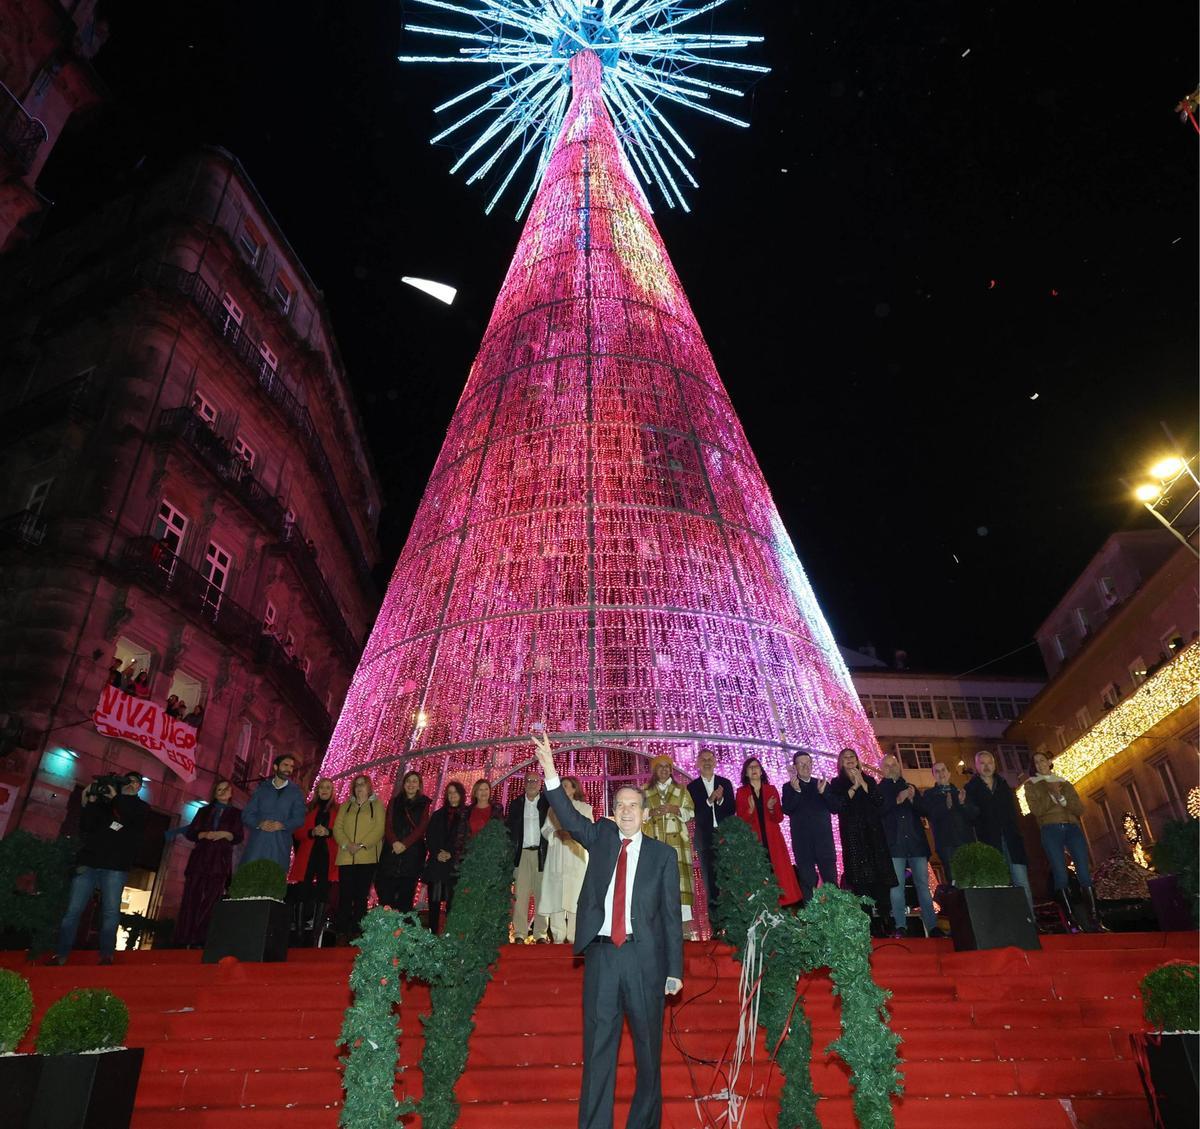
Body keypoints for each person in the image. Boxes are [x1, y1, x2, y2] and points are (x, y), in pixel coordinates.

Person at [531, 729, 682, 1129]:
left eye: (634, 806)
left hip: (644, 960)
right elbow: (567, 814)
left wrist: (674, 970)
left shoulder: (663, 856)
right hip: (602, 956)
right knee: (599, 1049)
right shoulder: (600, 836)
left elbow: (670, 917)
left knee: (649, 1054)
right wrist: (549, 769)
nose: (627, 811)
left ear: (645, 814)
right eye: (620, 805)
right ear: (612, 812)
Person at [55, 771, 148, 965]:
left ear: (140, 787)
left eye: (134, 782)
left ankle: (106, 955)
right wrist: (92, 800)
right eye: (127, 781)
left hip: (115, 866)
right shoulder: (105, 803)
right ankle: (61, 954)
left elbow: (131, 829)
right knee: (72, 911)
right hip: (89, 863)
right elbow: (87, 825)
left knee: (110, 912)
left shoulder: (141, 807)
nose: (130, 784)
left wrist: (117, 799)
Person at [1025, 751, 1105, 932]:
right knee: (1061, 874)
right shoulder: (1031, 785)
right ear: (1033, 766)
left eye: (1042, 760)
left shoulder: (1064, 782)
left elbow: (1079, 808)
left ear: (1049, 762)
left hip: (1072, 828)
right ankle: (1071, 921)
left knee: (1084, 872)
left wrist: (1062, 798)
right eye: (1036, 762)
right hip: (1050, 829)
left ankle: (1095, 920)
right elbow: (1037, 810)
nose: (1040, 764)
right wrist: (1052, 796)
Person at [827, 748, 898, 936]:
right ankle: (867, 923)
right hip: (854, 838)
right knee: (860, 881)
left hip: (873, 836)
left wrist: (864, 785)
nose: (849, 760)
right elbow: (838, 806)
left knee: (880, 878)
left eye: (852, 757)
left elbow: (880, 801)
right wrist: (853, 787)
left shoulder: (870, 780)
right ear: (841, 763)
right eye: (845, 758)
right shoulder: (837, 783)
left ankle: (885, 919)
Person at [877, 755, 946, 938]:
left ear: (899, 767)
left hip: (916, 845)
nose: (891, 768)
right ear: (882, 769)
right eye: (887, 765)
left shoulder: (911, 787)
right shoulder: (879, 790)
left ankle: (932, 926)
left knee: (923, 885)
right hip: (895, 846)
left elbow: (925, 811)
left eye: (894, 764)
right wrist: (898, 800)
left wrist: (914, 797)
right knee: (896, 887)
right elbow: (879, 812)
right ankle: (900, 925)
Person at [175, 779, 243, 947]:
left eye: (226, 788)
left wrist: (225, 834)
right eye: (219, 789)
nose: (223, 791)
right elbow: (191, 833)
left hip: (219, 861)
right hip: (200, 859)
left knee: (212, 899)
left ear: (231, 792)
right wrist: (204, 835)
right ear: (214, 792)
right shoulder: (204, 811)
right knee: (191, 897)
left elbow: (238, 836)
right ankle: (184, 937)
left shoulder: (236, 813)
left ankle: (202, 938)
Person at [965, 750, 1034, 912]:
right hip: (989, 842)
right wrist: (965, 806)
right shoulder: (971, 788)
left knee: (1021, 881)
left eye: (990, 763)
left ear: (995, 764)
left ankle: (1029, 920)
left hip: (1012, 840)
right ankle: (1008, 923)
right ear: (976, 766)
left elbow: (1015, 812)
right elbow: (971, 817)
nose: (987, 766)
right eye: (982, 763)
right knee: (999, 883)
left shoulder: (1003, 785)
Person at [735, 756, 803, 906]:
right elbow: (741, 822)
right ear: (746, 773)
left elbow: (778, 817)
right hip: (753, 841)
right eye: (750, 767)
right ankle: (763, 905)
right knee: (758, 873)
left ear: (761, 771)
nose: (754, 769)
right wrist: (751, 810)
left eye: (756, 767)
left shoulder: (771, 789)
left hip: (773, 839)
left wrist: (771, 808)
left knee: (778, 871)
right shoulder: (741, 792)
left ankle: (782, 903)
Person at [641, 755, 697, 937]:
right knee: (655, 884)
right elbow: (638, 814)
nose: (664, 769)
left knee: (680, 883)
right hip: (654, 842)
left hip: (677, 844)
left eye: (667, 767)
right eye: (660, 766)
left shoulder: (681, 790)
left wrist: (677, 810)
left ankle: (685, 931)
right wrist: (651, 812)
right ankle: (657, 929)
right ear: (654, 770)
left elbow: (691, 812)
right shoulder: (645, 791)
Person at [537, 775, 593, 943]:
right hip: (556, 856)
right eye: (561, 786)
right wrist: (555, 833)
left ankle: (574, 937)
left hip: (576, 857)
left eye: (567, 786)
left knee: (575, 897)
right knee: (556, 896)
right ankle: (558, 936)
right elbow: (545, 830)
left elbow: (589, 829)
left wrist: (572, 834)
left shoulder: (584, 808)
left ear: (575, 789)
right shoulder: (553, 809)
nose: (563, 789)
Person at [781, 750, 841, 903]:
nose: (805, 766)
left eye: (808, 763)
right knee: (807, 883)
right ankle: (810, 921)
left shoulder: (821, 784)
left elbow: (835, 807)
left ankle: (837, 921)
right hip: (803, 845)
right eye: (801, 764)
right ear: (795, 767)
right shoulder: (788, 787)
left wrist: (824, 793)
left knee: (831, 883)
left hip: (824, 844)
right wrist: (797, 791)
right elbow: (787, 809)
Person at [288, 778, 341, 945]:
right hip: (308, 854)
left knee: (323, 891)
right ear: (317, 791)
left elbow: (341, 832)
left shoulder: (338, 810)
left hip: (327, 855)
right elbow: (297, 832)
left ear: (333, 791)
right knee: (302, 890)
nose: (325, 790)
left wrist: (329, 832)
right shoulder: (308, 809)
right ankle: (299, 931)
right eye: (322, 788)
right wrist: (312, 832)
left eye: (328, 788)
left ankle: (316, 932)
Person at [333, 774, 385, 939]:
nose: (359, 787)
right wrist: (347, 844)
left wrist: (362, 845)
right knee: (345, 894)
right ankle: (342, 929)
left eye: (363, 784)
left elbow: (379, 828)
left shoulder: (377, 805)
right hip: (346, 856)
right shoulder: (345, 806)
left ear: (369, 787)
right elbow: (337, 828)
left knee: (361, 895)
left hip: (367, 857)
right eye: (357, 785)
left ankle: (359, 929)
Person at [686, 748, 736, 919]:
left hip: (726, 838)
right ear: (698, 764)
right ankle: (716, 923)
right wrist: (709, 801)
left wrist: (720, 799)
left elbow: (732, 810)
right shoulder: (692, 787)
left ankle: (734, 920)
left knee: (729, 879)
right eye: (703, 759)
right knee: (710, 882)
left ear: (715, 762)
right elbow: (693, 813)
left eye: (710, 759)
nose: (707, 762)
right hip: (705, 840)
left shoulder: (725, 783)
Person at [376, 771, 431, 913]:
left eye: (414, 781)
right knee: (386, 896)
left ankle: (402, 932)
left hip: (412, 856)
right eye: (408, 781)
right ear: (404, 784)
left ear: (419, 785)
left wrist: (405, 844)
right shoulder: (394, 802)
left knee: (406, 898)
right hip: (391, 854)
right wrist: (394, 842)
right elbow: (388, 824)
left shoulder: (425, 802)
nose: (411, 784)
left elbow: (422, 827)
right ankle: (385, 932)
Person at [241, 754, 306, 872]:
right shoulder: (261, 789)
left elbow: (299, 819)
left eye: (291, 766)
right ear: (275, 767)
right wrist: (259, 823)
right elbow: (247, 814)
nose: (289, 769)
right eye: (285, 765)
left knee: (272, 885)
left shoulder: (296, 793)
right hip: (257, 846)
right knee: (250, 883)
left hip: (279, 847)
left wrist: (283, 825)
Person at [506, 770, 550, 943]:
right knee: (520, 895)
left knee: (542, 895)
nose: (532, 783)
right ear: (524, 783)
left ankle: (540, 934)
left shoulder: (547, 803)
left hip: (541, 854)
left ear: (540, 784)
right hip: (522, 854)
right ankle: (519, 934)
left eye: (535, 780)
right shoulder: (516, 803)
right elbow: (510, 829)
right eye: (529, 780)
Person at [423, 781, 467, 934]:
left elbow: (466, 839)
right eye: (449, 793)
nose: (452, 796)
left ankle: (450, 934)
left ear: (461, 795)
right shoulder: (437, 815)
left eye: (455, 793)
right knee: (434, 902)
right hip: (437, 864)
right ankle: (433, 933)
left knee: (452, 903)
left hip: (454, 866)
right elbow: (430, 836)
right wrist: (437, 853)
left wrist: (452, 854)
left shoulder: (466, 815)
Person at [922, 762, 977, 883]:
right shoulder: (929, 794)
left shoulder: (960, 792)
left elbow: (973, 815)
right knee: (954, 880)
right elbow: (929, 814)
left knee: (971, 879)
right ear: (933, 775)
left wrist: (963, 804)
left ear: (949, 773)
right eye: (937, 771)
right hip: (946, 844)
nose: (941, 773)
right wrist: (945, 806)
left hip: (965, 841)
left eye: (943, 770)